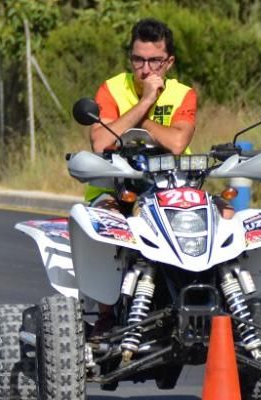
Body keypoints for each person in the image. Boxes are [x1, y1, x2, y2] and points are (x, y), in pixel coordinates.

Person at [86, 18, 198, 333]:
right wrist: (147, 101)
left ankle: (224, 306)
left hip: (173, 189)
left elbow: (177, 143)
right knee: (107, 224)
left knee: (226, 215)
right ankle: (107, 314)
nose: (146, 69)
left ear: (169, 62)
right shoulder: (111, 88)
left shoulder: (183, 94)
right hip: (116, 191)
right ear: (130, 58)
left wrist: (135, 123)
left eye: (155, 61)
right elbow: (100, 141)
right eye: (138, 59)